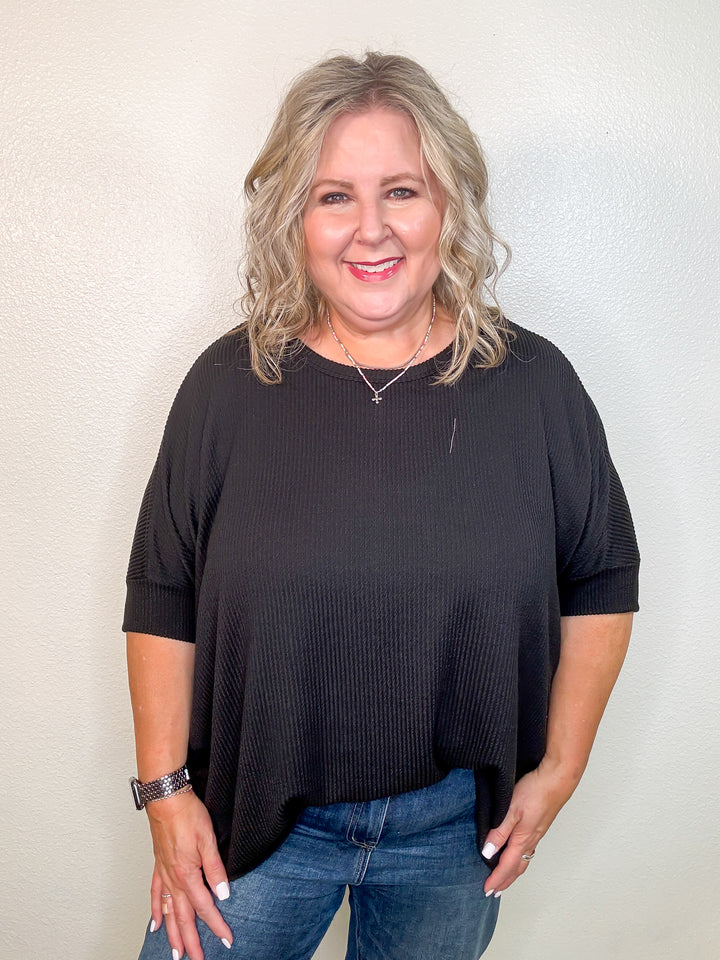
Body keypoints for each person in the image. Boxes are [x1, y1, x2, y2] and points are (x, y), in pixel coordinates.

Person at [124, 51, 639, 960]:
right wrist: (166, 794)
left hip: (451, 841)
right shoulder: (227, 386)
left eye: (402, 190)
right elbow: (163, 591)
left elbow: (599, 574)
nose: (371, 231)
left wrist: (561, 770)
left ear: (449, 205)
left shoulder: (534, 386)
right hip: (251, 828)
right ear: (295, 219)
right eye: (334, 197)